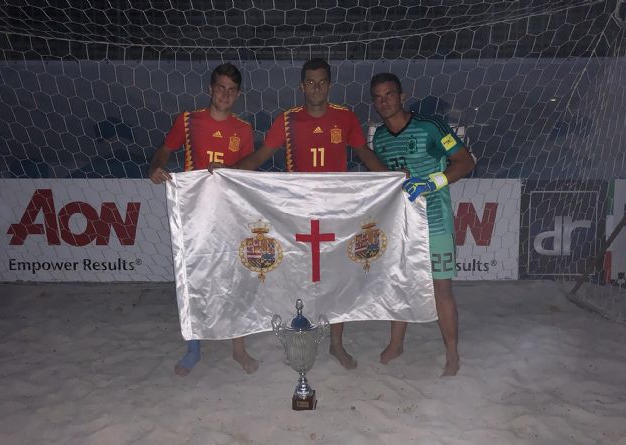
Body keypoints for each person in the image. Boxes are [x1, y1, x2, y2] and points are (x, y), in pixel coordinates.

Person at [217, 58, 389, 369]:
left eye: (322, 82)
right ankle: (302, 337)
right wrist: (225, 173)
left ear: (330, 85)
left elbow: (365, 154)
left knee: (339, 276)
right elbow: (259, 157)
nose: (316, 87)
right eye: (310, 82)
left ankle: (337, 344)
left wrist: (393, 179)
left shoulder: (345, 118)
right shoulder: (287, 120)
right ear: (301, 86)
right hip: (297, 213)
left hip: (337, 211)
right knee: (299, 276)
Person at [149, 63, 259, 376]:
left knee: (236, 277)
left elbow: (249, 171)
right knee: (194, 277)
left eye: (232, 90)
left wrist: (229, 175)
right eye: (220, 87)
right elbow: (164, 150)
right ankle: (194, 347)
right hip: (196, 213)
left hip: (230, 214)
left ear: (238, 94)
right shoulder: (188, 121)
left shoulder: (244, 129)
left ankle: (239, 348)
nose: (225, 94)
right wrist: (154, 168)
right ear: (210, 89)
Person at [369, 72, 475, 376]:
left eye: (389, 94)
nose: (384, 101)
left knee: (441, 289)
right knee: (399, 285)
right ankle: (396, 344)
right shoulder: (379, 138)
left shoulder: (430, 126)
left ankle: (452, 353)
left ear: (402, 96)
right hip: (401, 227)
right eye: (378, 96)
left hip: (435, 223)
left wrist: (432, 182)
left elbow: (466, 162)